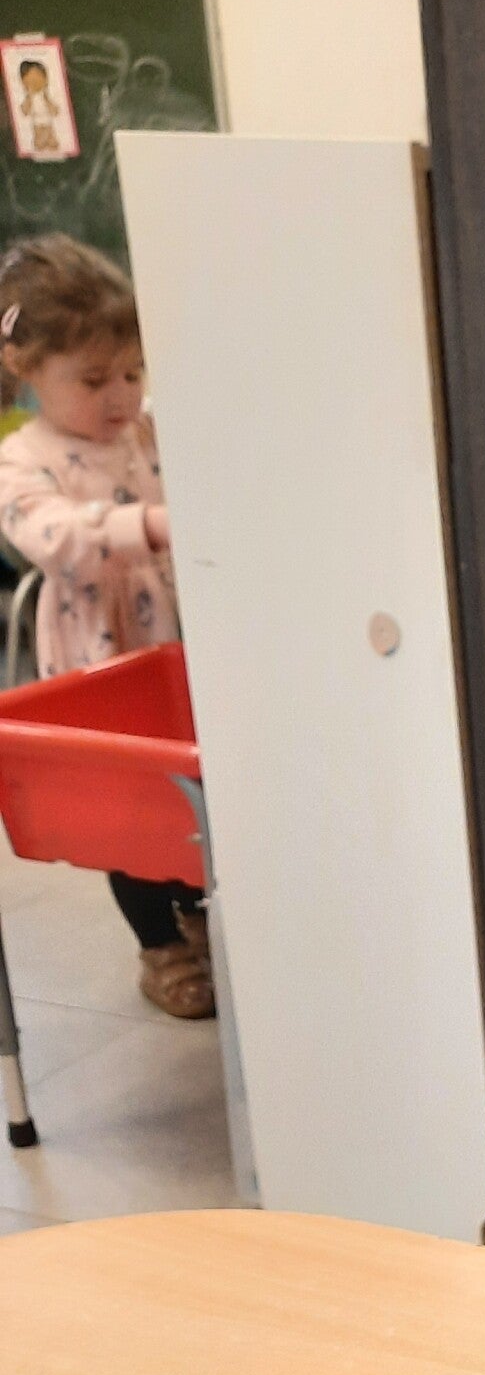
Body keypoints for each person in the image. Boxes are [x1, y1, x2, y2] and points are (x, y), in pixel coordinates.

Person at [0, 234, 212, 1019]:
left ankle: (199, 913)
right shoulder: (23, 460)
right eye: (93, 379)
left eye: (132, 372)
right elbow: (53, 537)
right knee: (129, 817)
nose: (120, 394)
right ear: (26, 367)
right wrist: (148, 525)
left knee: (191, 796)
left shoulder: (141, 432)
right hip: (100, 657)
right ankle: (161, 947)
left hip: (174, 649)